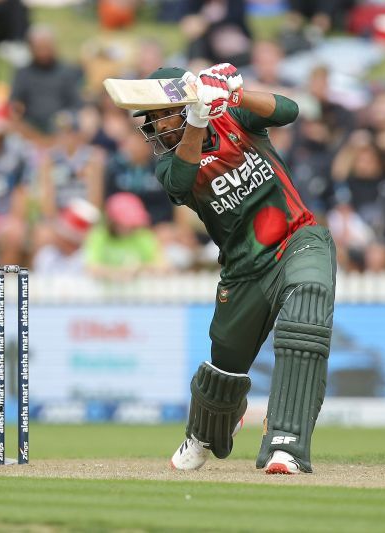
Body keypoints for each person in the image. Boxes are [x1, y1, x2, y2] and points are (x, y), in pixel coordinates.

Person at [133, 64, 336, 474]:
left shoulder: (234, 117)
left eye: (159, 115)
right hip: (243, 270)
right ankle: (206, 433)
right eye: (151, 119)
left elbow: (289, 109)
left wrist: (232, 94)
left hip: (297, 238)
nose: (155, 127)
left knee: (306, 309)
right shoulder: (168, 166)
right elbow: (183, 182)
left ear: (180, 103)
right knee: (224, 371)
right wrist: (196, 120)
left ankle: (286, 443)